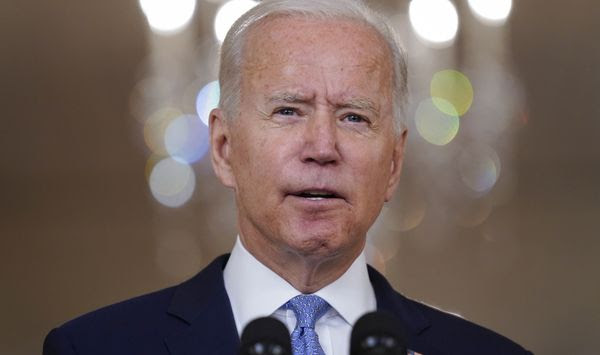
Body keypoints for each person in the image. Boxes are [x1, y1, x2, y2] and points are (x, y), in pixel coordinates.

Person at [43, 0, 532, 354]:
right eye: (288, 111)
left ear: (394, 164)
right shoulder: (92, 347)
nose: (322, 148)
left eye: (354, 117)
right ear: (224, 148)